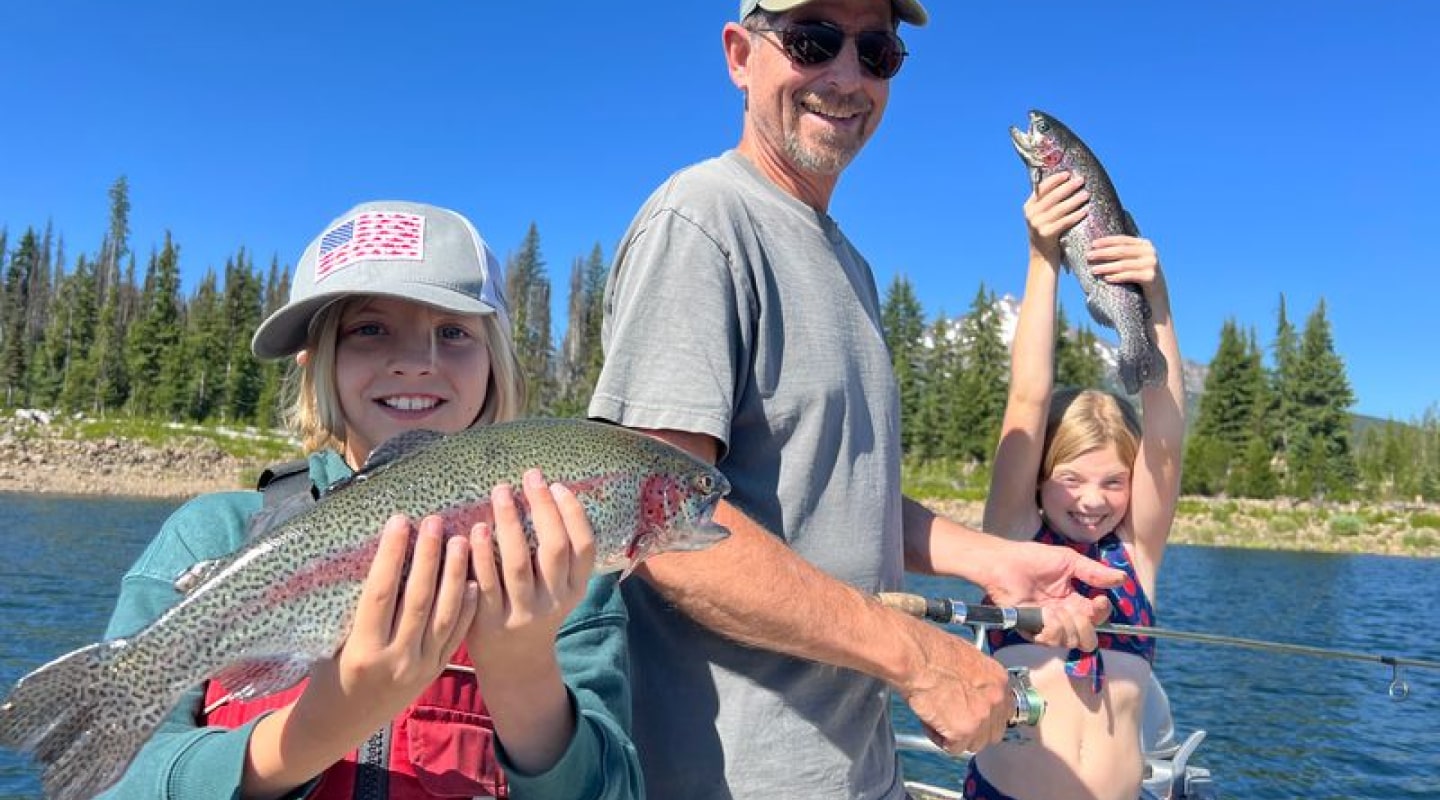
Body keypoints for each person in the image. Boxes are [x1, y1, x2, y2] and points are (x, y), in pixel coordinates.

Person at [586, 2, 1127, 797]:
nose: (846, 75)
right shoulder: (702, 221)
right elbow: (657, 517)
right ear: (741, 55)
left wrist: (996, 560)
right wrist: (920, 659)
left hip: (860, 767)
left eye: (876, 52)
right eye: (812, 41)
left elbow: (831, 490)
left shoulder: (849, 263)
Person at [99, 200, 643, 799]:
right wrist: (315, 731)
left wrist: (522, 674)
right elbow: (117, 786)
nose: (415, 362)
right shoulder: (213, 534)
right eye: (369, 329)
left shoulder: (567, 563)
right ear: (315, 361)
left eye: (454, 332)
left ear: (496, 362)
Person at [966, 171, 1186, 800]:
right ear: (1038, 480)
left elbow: (1165, 434)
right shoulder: (1012, 540)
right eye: (1070, 479)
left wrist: (1156, 301)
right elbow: (1028, 398)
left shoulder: (1135, 557)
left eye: (1114, 482)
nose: (1092, 500)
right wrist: (1044, 257)